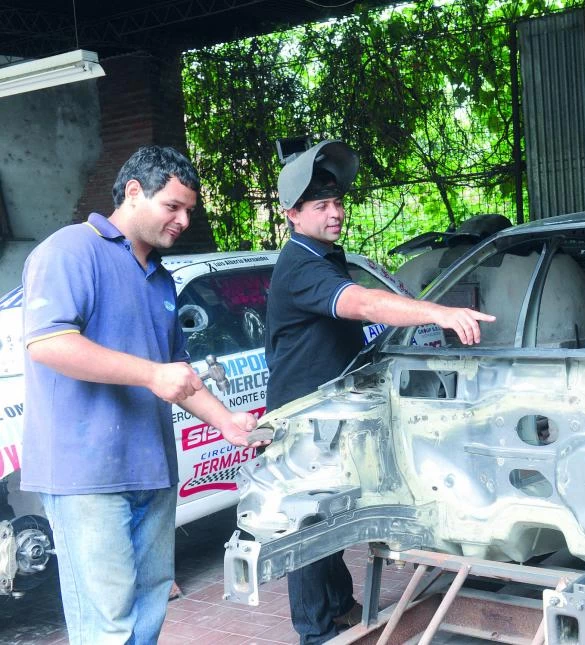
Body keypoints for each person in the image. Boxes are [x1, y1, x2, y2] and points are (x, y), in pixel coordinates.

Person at [20, 146, 268, 644]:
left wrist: (227, 424)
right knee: (107, 622)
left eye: (189, 211)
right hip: (86, 474)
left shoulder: (159, 277)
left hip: (151, 468)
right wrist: (151, 375)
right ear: (134, 191)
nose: (182, 220)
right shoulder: (71, 249)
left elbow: (177, 374)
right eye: (172, 206)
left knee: (150, 606)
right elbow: (48, 343)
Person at [265, 140, 495, 644]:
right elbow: (365, 304)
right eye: (321, 206)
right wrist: (438, 313)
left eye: (337, 203)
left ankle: (341, 608)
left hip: (331, 407)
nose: (336, 213)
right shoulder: (301, 264)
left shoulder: (323, 254)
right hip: (304, 416)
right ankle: (314, 633)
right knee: (308, 527)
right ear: (292, 215)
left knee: (333, 516)